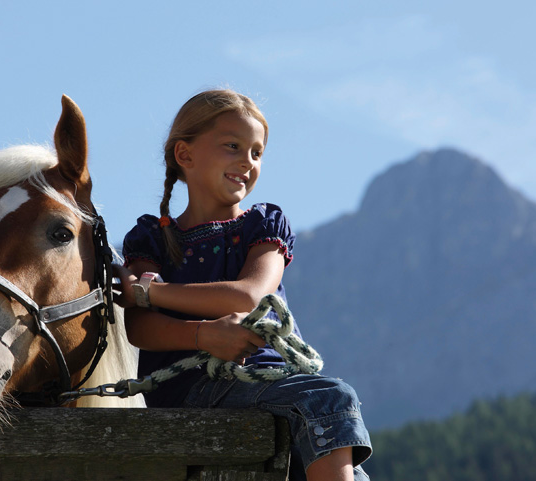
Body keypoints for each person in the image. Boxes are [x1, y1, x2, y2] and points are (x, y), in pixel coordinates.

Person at [116, 89, 372, 481]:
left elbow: (251, 295)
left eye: (256, 153)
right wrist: (204, 336)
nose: (246, 162)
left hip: (271, 384)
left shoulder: (263, 226)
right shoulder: (150, 239)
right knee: (328, 398)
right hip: (190, 389)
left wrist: (150, 292)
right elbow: (139, 327)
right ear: (184, 155)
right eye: (232, 146)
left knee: (344, 462)